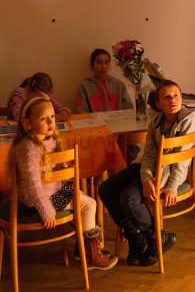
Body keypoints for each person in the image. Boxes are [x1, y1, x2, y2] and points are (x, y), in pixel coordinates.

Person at [8, 96, 117, 270]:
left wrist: (65, 167)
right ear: (27, 123)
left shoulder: (47, 139)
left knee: (82, 196)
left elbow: (51, 167)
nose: (51, 121)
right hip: (39, 201)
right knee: (89, 204)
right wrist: (46, 210)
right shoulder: (29, 148)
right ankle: (90, 256)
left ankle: (83, 250)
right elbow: (33, 185)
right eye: (43, 118)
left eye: (52, 116)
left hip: (52, 190)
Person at [98, 80, 195, 266]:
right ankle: (137, 235)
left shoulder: (188, 122)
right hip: (150, 167)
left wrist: (172, 187)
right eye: (166, 97)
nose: (172, 100)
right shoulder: (155, 123)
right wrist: (146, 178)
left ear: (181, 98)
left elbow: (181, 162)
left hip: (168, 174)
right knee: (106, 189)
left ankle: (154, 238)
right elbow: (149, 155)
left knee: (129, 197)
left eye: (176, 95)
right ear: (158, 103)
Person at [76, 48, 133, 113]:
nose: (103, 66)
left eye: (106, 62)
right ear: (92, 64)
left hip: (118, 119)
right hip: (94, 119)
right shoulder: (83, 86)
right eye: (99, 62)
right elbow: (83, 112)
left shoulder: (119, 84)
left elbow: (129, 110)